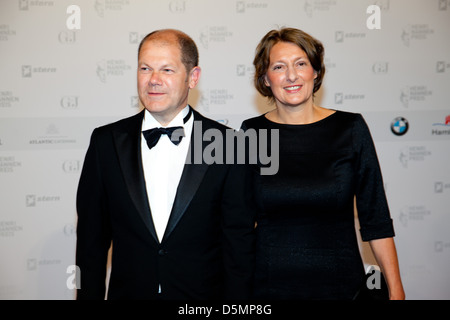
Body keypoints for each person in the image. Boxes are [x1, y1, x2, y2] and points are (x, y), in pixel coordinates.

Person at [75, 29, 255, 300]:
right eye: (145, 68)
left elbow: (238, 247)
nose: (154, 80)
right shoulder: (106, 143)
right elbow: (90, 244)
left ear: (193, 77)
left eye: (167, 70)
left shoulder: (229, 144)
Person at [241, 27, 405, 300]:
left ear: (315, 72)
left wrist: (396, 291)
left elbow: (375, 219)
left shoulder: (350, 128)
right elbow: (241, 223)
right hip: (268, 288)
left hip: (341, 287)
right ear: (265, 79)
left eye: (301, 64)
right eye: (279, 66)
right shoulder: (251, 133)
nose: (291, 75)